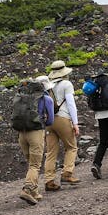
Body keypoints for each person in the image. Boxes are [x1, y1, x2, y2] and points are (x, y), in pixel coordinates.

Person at [16, 75, 55, 205]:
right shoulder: (46, 99)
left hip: (21, 133)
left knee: (31, 163)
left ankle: (35, 192)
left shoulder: (21, 98)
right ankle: (27, 189)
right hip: (36, 133)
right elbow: (50, 120)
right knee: (35, 164)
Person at [44, 60, 81, 191]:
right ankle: (67, 174)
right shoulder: (66, 84)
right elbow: (71, 104)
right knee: (71, 147)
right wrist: (75, 123)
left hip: (49, 121)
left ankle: (49, 180)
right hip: (63, 118)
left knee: (51, 152)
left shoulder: (47, 85)